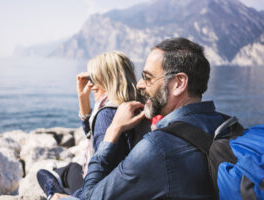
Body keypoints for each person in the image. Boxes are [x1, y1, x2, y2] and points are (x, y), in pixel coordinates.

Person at [61, 37, 229, 200]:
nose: (139, 84)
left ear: (178, 83)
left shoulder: (157, 146)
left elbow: (90, 197)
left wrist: (113, 130)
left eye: (148, 78)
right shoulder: (226, 124)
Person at [37, 51, 150, 200]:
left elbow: (106, 175)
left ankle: (56, 196)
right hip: (129, 187)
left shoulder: (106, 115)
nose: (91, 85)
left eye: (94, 78)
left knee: (43, 174)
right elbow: (93, 135)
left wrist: (74, 197)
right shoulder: (135, 106)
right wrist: (82, 97)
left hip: (97, 190)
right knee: (70, 169)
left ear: (109, 79)